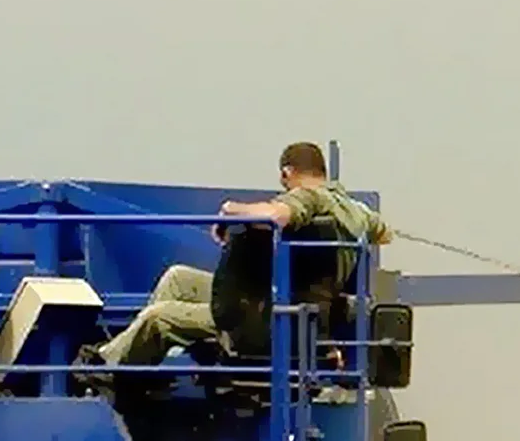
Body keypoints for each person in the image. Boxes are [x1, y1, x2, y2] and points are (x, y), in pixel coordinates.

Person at [82, 142, 391, 377]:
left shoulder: (309, 197)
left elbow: (277, 215)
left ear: (287, 173)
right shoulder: (356, 211)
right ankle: (143, 361)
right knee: (179, 278)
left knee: (159, 317)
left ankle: (104, 370)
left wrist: (229, 209)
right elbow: (384, 233)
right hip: (293, 309)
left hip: (270, 320)